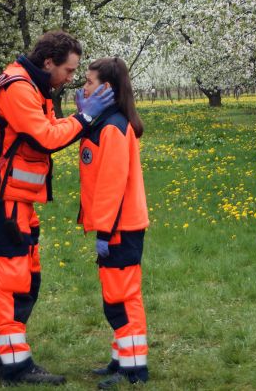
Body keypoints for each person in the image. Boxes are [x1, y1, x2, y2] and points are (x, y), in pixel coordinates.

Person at [0, 31, 115, 385]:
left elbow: (45, 130)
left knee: (27, 278)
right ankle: (13, 368)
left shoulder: (31, 86)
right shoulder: (19, 88)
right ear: (48, 63)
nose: (71, 79)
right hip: (6, 200)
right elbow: (45, 137)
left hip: (19, 200)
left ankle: (8, 355)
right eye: (68, 71)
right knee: (13, 283)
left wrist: (72, 119)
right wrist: (85, 120)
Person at [75, 57, 150, 389]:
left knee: (122, 298)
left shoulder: (114, 128)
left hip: (120, 227)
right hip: (116, 226)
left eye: (89, 82)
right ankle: (122, 358)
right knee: (114, 298)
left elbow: (112, 185)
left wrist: (104, 230)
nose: (83, 87)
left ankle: (134, 369)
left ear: (106, 89)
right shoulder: (105, 125)